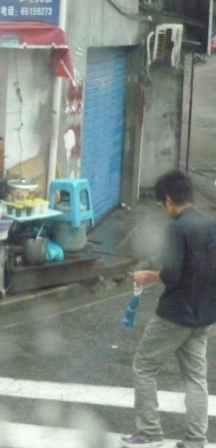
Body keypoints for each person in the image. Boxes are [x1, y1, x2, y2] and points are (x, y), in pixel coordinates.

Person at [121, 169, 216, 448]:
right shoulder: (211, 223)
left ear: (169, 200)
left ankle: (149, 433)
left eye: (163, 204)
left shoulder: (177, 228)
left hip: (174, 314)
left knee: (144, 367)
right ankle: (195, 439)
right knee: (196, 379)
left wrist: (147, 276)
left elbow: (172, 275)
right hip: (204, 315)